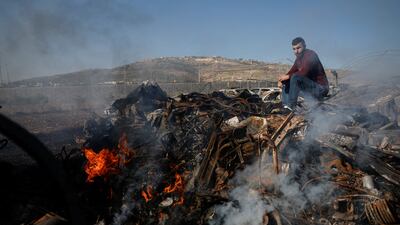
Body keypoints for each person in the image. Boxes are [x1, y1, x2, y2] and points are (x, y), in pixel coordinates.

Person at [278, 37, 329, 110]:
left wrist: (287, 76)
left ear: (304, 46)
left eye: (298, 48)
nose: (296, 51)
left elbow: (304, 72)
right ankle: (286, 107)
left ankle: (291, 106)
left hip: (321, 89)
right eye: (294, 49)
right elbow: (291, 72)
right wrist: (281, 80)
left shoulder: (310, 54)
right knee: (286, 81)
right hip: (310, 89)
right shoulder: (298, 59)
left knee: (295, 77)